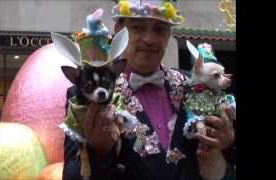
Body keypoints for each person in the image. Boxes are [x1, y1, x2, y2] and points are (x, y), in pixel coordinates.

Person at [63, 0, 235, 180]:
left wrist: (225, 144)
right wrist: (98, 152)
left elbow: (222, 166)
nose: (149, 39)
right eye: (138, 27)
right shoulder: (86, 95)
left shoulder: (196, 87)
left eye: (160, 29)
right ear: (118, 30)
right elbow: (72, 175)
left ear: (169, 34)